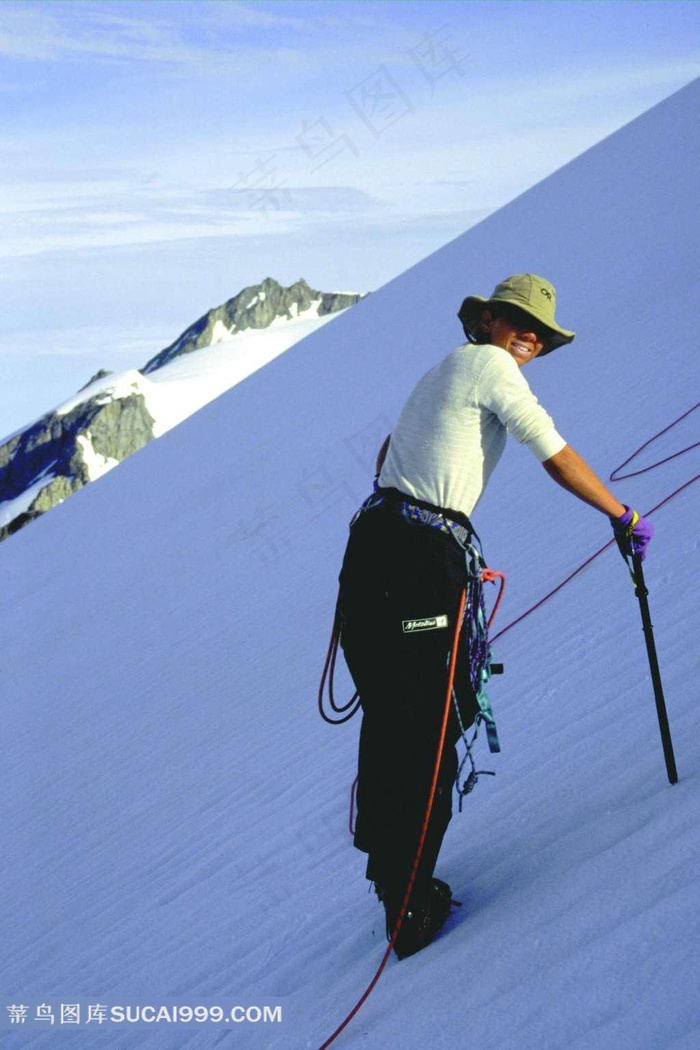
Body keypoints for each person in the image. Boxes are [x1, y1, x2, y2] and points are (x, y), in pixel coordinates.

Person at [336, 273, 653, 959]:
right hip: (420, 560)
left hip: (372, 555)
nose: (530, 337)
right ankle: (410, 907)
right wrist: (620, 513)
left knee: (394, 718)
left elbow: (387, 457)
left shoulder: (445, 370)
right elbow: (554, 454)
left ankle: (393, 878)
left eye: (539, 331)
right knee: (431, 725)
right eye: (518, 321)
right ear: (487, 322)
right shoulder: (490, 365)